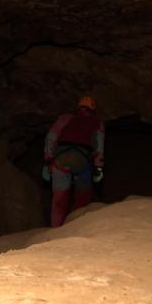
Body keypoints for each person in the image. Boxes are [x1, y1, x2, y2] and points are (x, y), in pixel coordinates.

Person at [43, 96, 105, 227]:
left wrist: (48, 161)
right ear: (93, 109)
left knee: (59, 200)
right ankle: (74, 226)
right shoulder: (97, 122)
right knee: (82, 197)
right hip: (81, 160)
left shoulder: (65, 118)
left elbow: (50, 138)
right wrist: (98, 168)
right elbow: (99, 147)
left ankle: (56, 229)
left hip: (60, 159)